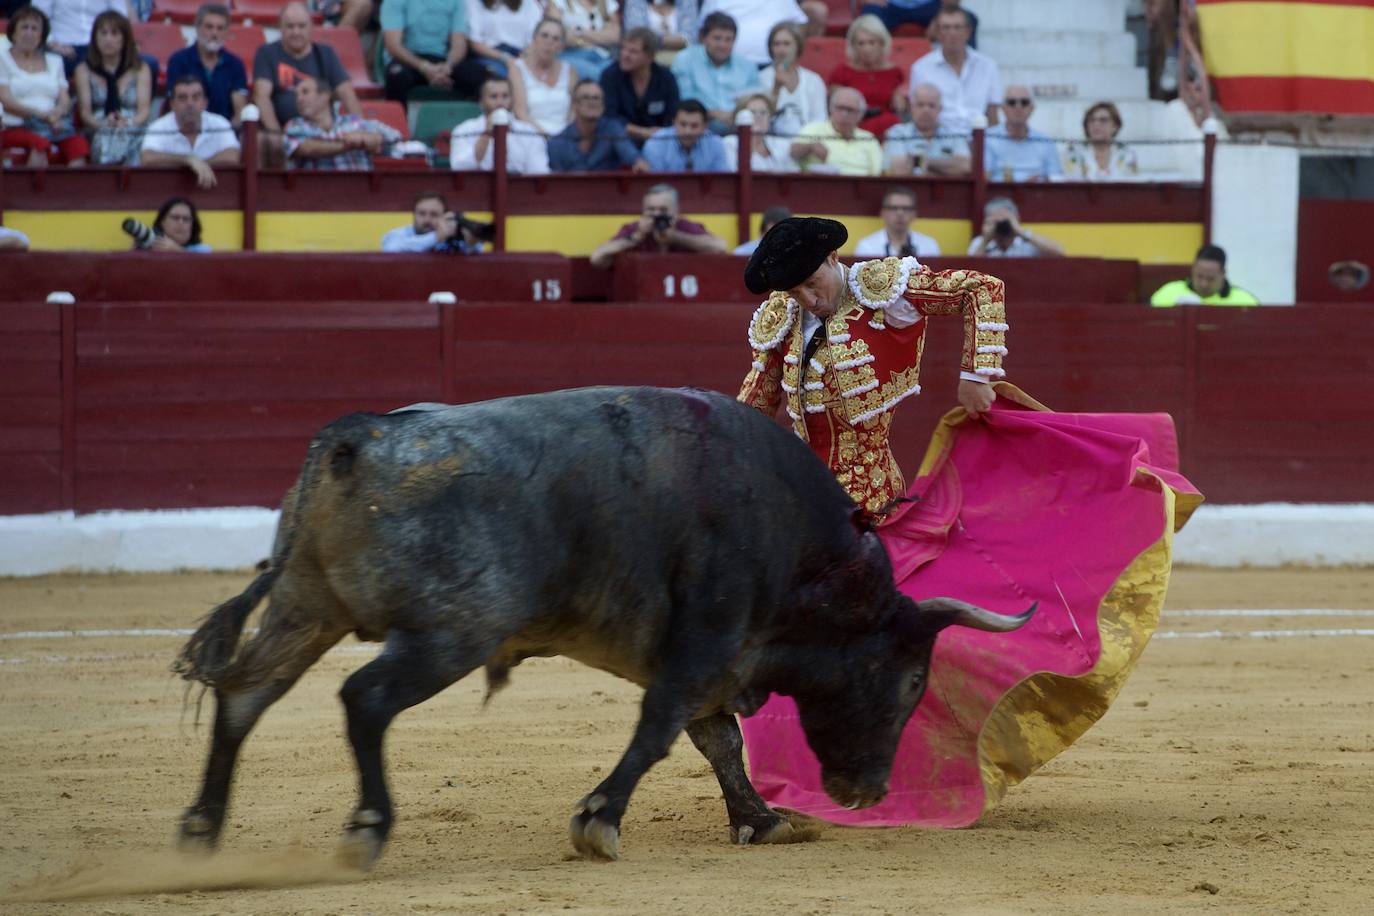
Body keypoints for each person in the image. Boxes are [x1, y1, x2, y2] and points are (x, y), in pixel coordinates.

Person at [734, 215, 1200, 832]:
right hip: (803, 516)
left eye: (805, 284)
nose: (798, 298)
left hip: (870, 507)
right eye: (788, 290)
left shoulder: (883, 290)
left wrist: (977, 372)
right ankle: (792, 780)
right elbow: (756, 399)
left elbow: (982, 288)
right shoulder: (785, 320)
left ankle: (905, 772)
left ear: (830, 261)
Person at [252, 2, 363, 161]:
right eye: (290, 26)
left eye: (301, 26)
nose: (296, 32)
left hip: (322, 130)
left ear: (311, 27)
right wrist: (279, 134)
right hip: (284, 130)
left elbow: (347, 93)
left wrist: (358, 128)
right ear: (280, 28)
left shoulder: (326, 53)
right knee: (264, 141)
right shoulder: (267, 53)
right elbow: (261, 96)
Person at [0, 6, 90, 167]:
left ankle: (74, 192)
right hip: (16, 125)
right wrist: (41, 115)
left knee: (78, 146)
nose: (29, 33)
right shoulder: (2, 59)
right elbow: (5, 99)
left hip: (51, 124)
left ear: (42, 35)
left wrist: (56, 114)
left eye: (34, 29)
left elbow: (64, 98)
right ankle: (32, 191)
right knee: (40, 144)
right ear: (13, 32)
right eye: (24, 27)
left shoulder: (55, 61)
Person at [73, 10, 150, 166]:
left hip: (132, 126)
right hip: (98, 126)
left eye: (114, 34)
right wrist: (104, 124)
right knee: (106, 139)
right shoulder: (83, 70)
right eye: (103, 33)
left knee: (139, 142)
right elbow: (85, 114)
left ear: (124, 38)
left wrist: (127, 123)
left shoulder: (141, 68)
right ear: (95, 38)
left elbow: (144, 112)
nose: (108, 39)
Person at [588, 182, 727, 267]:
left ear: (676, 212)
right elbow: (597, 258)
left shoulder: (683, 226)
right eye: (651, 210)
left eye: (663, 210)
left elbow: (721, 248)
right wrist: (636, 237)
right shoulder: (635, 230)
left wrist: (676, 237)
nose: (656, 215)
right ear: (643, 211)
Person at [909, 6, 1000, 135]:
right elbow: (917, 115)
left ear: (968, 32)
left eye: (957, 27)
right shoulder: (921, 68)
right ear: (937, 33)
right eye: (946, 28)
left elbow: (993, 117)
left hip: (979, 139)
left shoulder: (988, 66)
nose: (952, 33)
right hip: (939, 141)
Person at [140, 74, 240, 189]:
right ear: (172, 104)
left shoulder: (220, 123)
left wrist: (200, 164)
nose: (190, 104)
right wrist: (188, 160)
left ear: (205, 103)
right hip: (170, 193)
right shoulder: (158, 127)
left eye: (196, 97)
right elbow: (147, 158)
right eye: (183, 98)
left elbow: (233, 156)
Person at [379, 0, 488, 103]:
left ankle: (474, 121)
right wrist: (424, 67)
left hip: (441, 61)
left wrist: (448, 66)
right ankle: (398, 122)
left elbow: (459, 43)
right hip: (407, 60)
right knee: (396, 75)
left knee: (480, 77)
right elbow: (393, 45)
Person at [669, 12, 759, 134]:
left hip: (740, 124)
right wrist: (716, 114)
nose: (723, 45)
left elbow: (754, 101)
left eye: (728, 39)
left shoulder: (748, 65)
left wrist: (734, 116)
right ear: (703, 38)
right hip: (700, 126)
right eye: (717, 38)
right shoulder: (685, 60)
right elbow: (686, 101)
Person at [285, 76, 397, 170]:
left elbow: (395, 137)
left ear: (325, 95)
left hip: (361, 191)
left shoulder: (353, 121)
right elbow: (303, 148)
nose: (299, 99)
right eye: (297, 95)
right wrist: (350, 144)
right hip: (317, 193)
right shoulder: (295, 125)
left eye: (305, 92)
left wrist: (376, 138)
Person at [164, 3, 248, 124]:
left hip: (224, 133)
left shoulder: (235, 65)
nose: (214, 33)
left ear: (226, 32)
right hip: (187, 131)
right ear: (197, 28)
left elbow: (239, 111)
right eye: (209, 27)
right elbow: (175, 105)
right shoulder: (178, 61)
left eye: (220, 28)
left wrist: (227, 135)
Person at [449, 75, 550, 174]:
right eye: (493, 97)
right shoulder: (464, 130)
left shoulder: (529, 132)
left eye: (505, 96)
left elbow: (539, 173)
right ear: (481, 102)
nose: (500, 102)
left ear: (511, 100)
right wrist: (486, 135)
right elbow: (459, 167)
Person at [828, 14, 906, 140]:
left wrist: (900, 102)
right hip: (853, 128)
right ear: (852, 46)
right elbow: (838, 109)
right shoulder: (841, 72)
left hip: (887, 129)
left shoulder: (894, 72)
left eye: (871, 42)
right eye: (861, 43)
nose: (867, 49)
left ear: (882, 44)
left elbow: (899, 106)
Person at [599, 27, 679, 144]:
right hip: (621, 139)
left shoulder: (666, 78)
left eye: (633, 51)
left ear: (650, 56)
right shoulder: (610, 76)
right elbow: (610, 117)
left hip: (660, 140)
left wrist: (661, 133)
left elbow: (673, 115)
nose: (625, 55)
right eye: (623, 49)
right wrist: (643, 132)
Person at [547, 78, 647, 172]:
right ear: (574, 104)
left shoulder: (612, 129)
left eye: (596, 98)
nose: (592, 102)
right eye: (585, 97)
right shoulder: (557, 144)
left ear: (603, 106)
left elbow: (633, 157)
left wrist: (639, 163)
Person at [696, 0, 824, 66]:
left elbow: (801, 24)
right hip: (727, 66)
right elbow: (703, 31)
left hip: (773, 66)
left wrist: (788, 56)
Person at [790, 86, 882, 177]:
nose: (844, 114)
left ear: (860, 115)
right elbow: (793, 153)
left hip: (859, 188)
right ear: (831, 109)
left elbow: (877, 174)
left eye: (850, 110)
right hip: (821, 186)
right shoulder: (814, 129)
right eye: (840, 108)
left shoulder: (868, 138)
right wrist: (810, 147)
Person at [882, 83, 970, 177]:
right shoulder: (897, 133)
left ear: (940, 109)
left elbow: (965, 166)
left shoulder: (953, 135)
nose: (926, 110)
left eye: (931, 106)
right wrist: (945, 167)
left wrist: (921, 162)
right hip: (908, 189)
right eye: (920, 105)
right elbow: (898, 170)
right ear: (911, 108)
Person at [758, 22, 826, 137]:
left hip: (807, 143)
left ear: (797, 46)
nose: (781, 49)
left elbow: (820, 120)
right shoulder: (761, 78)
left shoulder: (813, 80)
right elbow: (760, 120)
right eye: (776, 44)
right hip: (771, 141)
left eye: (787, 44)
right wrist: (776, 89)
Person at [510, 18, 576, 135]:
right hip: (529, 134)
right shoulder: (517, 68)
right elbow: (520, 113)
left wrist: (565, 138)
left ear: (562, 46)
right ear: (534, 39)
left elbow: (573, 113)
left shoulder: (570, 71)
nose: (549, 42)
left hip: (564, 137)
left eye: (556, 38)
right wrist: (545, 136)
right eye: (544, 36)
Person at [983, 85, 1061, 182]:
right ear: (1003, 108)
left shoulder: (1045, 142)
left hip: (1037, 194)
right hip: (1000, 195)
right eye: (1012, 102)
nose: (1018, 107)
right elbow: (984, 179)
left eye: (1024, 102)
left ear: (1032, 108)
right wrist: (1023, 185)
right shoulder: (988, 138)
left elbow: (1056, 178)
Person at [31, 0, 129, 76]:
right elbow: (37, 16)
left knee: (137, 63)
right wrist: (51, 42)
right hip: (62, 46)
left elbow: (120, 17)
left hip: (99, 46)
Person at [1150, 244, 1259, 306]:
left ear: (1223, 274)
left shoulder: (1245, 301)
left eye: (1210, 279)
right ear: (1193, 269)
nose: (1204, 284)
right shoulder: (1167, 293)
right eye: (1199, 276)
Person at [1061, 100, 1139, 182]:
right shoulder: (1073, 152)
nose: (1096, 124)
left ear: (1115, 126)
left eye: (1103, 120)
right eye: (1091, 120)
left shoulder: (1127, 153)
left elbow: (1130, 186)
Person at [642, 98, 727, 172]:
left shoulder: (716, 143)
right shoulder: (656, 142)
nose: (688, 131)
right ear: (674, 122)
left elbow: (722, 183)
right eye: (683, 124)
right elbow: (655, 186)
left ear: (705, 126)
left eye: (694, 126)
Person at [853, 186, 940, 258]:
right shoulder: (867, 247)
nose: (900, 213)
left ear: (914, 214)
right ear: (883, 213)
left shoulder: (929, 246)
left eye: (906, 208)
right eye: (893, 208)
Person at [543, 0, 620, 81]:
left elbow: (615, 36)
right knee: (599, 75)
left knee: (618, 74)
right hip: (570, 55)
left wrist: (580, 32)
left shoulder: (607, 3)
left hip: (603, 56)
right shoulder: (559, 2)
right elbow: (560, 35)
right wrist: (600, 37)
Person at [465, 0, 544, 78]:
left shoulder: (529, 3)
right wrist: (505, 58)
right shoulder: (474, 2)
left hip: (522, 55)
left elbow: (536, 38)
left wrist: (525, 57)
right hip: (490, 55)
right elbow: (474, 42)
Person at [968, 197, 1064, 257]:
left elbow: (1058, 253)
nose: (1001, 225)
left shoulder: (1028, 242)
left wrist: (1021, 232)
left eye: (1005, 221)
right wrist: (986, 240)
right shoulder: (979, 243)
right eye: (996, 222)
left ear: (1016, 220)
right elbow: (970, 271)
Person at [722, 94, 796, 173]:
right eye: (752, 112)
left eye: (763, 112)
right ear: (739, 117)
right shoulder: (729, 144)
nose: (758, 116)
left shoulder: (781, 144)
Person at [382, 191, 473, 252]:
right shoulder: (397, 235)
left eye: (434, 214)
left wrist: (472, 240)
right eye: (422, 213)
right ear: (414, 215)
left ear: (444, 216)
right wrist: (436, 237)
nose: (427, 220)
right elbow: (390, 248)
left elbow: (475, 249)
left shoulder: (451, 237)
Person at [857, 0, 977, 46]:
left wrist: (940, 18)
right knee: (869, 17)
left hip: (929, 6)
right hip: (890, 5)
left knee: (969, 19)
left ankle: (968, 66)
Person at [621, 0, 698, 58]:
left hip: (682, 60)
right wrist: (673, 41)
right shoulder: (635, 2)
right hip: (646, 60)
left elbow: (690, 39)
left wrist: (657, 41)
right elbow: (638, 37)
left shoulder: (687, 2)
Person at [144, 196, 212, 252]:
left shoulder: (203, 250)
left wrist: (177, 250)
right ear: (162, 222)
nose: (181, 223)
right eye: (175, 218)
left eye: (186, 219)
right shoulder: (147, 246)